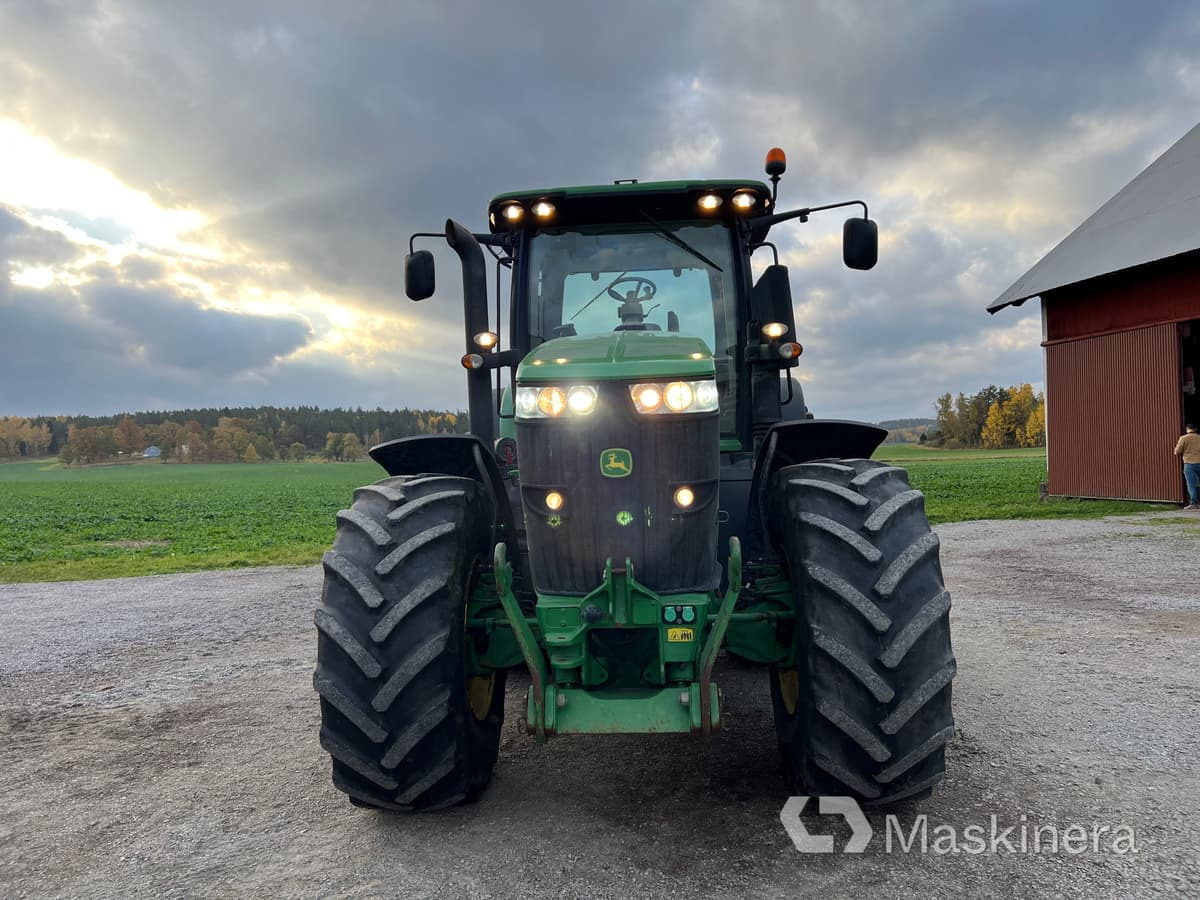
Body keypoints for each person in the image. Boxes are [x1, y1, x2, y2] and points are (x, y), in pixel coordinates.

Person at [1175, 423, 1200, 509]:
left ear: (1187, 429)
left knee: (1191, 484)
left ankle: (1194, 503)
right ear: (1195, 429)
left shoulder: (1183, 438)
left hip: (1189, 463)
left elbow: (1177, 452)